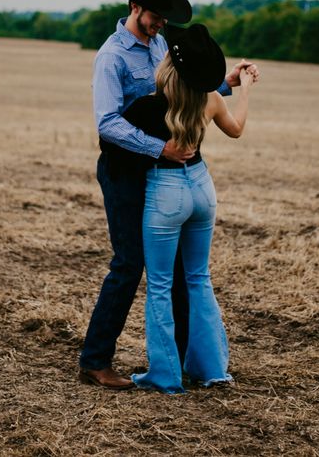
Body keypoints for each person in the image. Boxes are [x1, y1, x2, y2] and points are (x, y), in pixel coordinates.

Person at [79, 0, 258, 389]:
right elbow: (107, 123)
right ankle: (95, 360)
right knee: (129, 264)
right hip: (126, 171)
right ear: (134, 8)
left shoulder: (160, 43)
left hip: (166, 175)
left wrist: (225, 83)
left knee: (177, 267)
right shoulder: (112, 57)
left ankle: (176, 361)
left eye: (164, 18)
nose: (160, 24)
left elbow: (178, 88)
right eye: (155, 16)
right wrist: (160, 149)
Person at [124, 23, 256, 393]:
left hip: (165, 192)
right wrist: (242, 89)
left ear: (170, 63)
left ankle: (165, 375)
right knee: (198, 278)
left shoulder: (149, 105)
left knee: (161, 285)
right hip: (202, 188)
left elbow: (116, 138)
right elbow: (236, 129)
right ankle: (212, 368)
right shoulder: (211, 97)